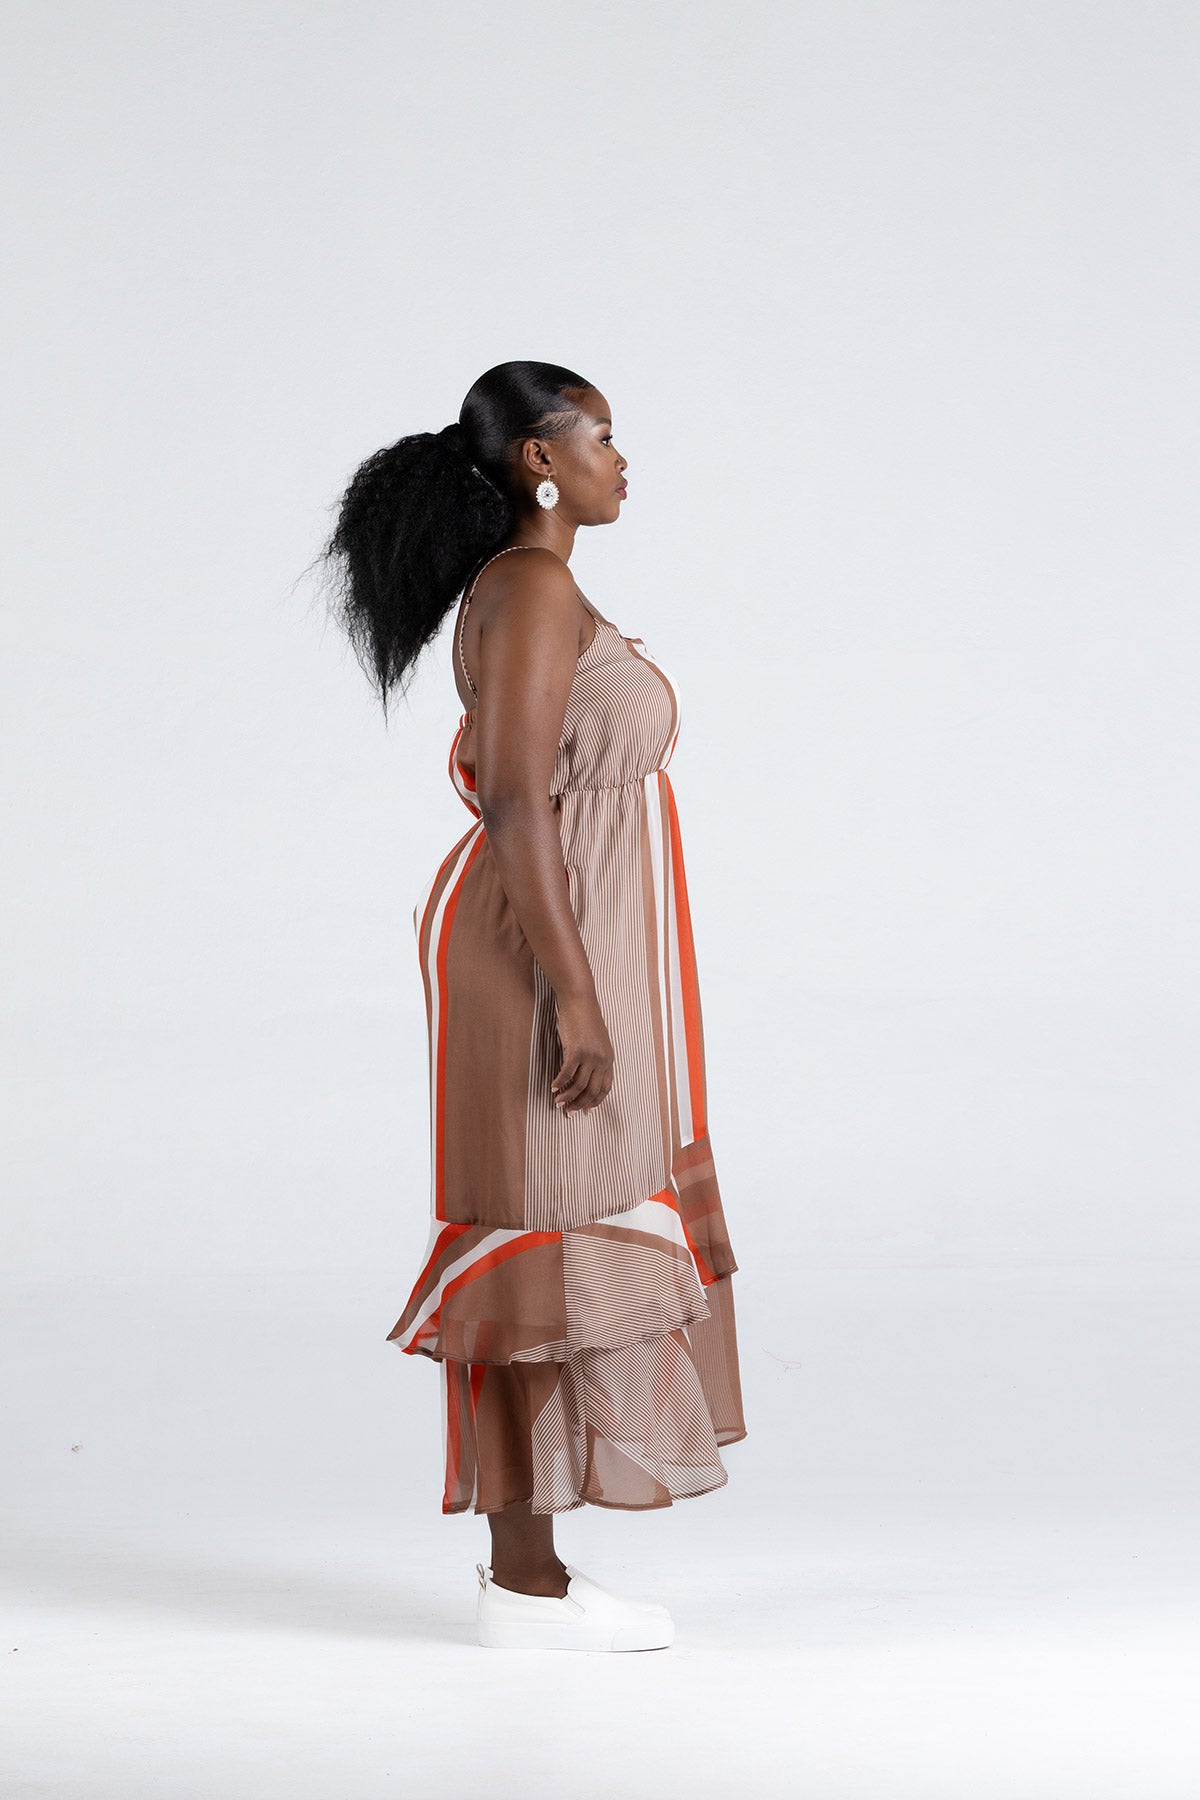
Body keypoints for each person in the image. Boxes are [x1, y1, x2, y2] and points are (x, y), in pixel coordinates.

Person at [320, 361, 746, 1651]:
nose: (623, 459)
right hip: (540, 953)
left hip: (579, 946)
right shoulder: (529, 587)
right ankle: (525, 1587)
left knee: (574, 1223)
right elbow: (514, 796)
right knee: (542, 1231)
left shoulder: (544, 587)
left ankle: (532, 1578)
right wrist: (575, 994)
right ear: (541, 462)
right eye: (601, 436)